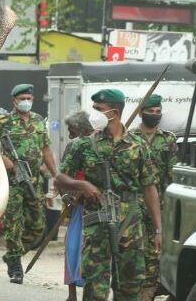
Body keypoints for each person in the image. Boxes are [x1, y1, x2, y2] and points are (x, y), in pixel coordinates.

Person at [57, 89, 162, 301]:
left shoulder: (138, 145)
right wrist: (82, 184)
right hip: (97, 224)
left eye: (99, 109)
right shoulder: (84, 144)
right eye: (94, 108)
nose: (93, 113)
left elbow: (149, 188)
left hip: (130, 225)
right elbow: (60, 179)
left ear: (115, 111)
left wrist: (158, 229)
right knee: (95, 289)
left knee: (129, 287)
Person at [0, 83, 60, 284]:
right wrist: (7, 162)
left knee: (38, 227)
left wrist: (55, 174)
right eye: (22, 99)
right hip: (12, 183)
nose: (26, 102)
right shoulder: (3, 122)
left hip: (34, 182)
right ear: (14, 101)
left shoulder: (38, 121)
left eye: (29, 98)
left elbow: (46, 149)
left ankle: (13, 255)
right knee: (14, 226)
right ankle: (15, 267)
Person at [130, 94, 178, 301]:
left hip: (158, 205)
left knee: (154, 251)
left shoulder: (168, 139)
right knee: (131, 249)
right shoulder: (129, 137)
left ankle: (148, 292)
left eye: (158, 112)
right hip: (132, 205)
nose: (155, 115)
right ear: (141, 113)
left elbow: (171, 174)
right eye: (151, 112)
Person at [60, 111, 94, 301]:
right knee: (72, 248)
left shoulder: (98, 144)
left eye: (72, 128)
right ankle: (71, 295)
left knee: (90, 251)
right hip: (77, 206)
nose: (69, 132)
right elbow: (62, 176)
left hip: (94, 206)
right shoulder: (73, 146)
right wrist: (67, 196)